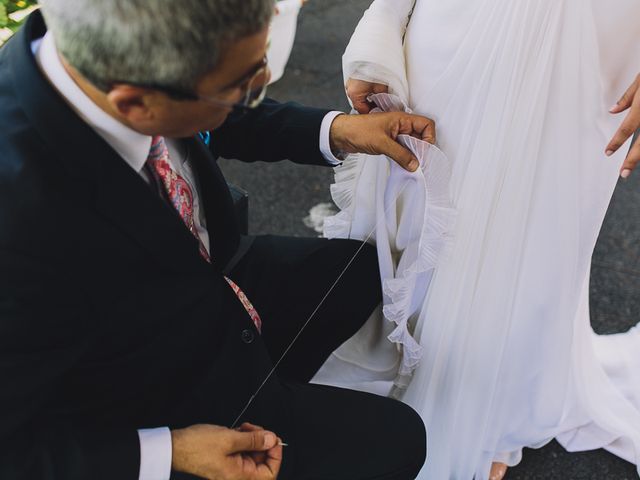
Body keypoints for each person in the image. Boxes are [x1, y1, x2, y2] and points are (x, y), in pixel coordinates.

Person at [0, 0, 438, 478]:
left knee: (360, 274)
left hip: (217, 281)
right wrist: (170, 453)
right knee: (398, 440)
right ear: (134, 104)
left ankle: (271, 387)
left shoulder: (106, 65)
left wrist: (338, 131)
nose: (263, 81)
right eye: (242, 85)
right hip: (145, 390)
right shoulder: (22, 226)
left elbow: (217, 109)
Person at [314, 0, 640, 479]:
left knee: (545, 226)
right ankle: (416, 374)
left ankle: (494, 407)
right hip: (464, 22)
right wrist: (381, 23)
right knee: (432, 197)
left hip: (596, 37)